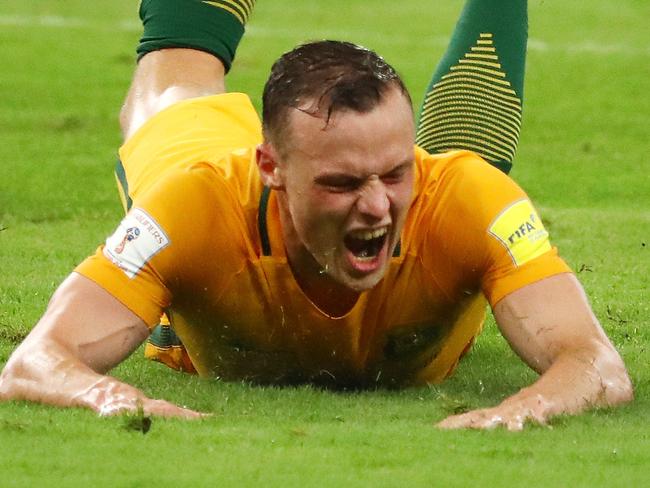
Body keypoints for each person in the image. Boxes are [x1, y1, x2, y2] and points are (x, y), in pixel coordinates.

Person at [0, 0, 632, 430]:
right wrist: (110, 397)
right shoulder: (192, 208)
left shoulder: (462, 202)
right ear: (271, 169)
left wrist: (524, 409)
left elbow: (596, 364)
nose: (379, 205)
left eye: (395, 171)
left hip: (456, 208)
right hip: (203, 185)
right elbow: (35, 361)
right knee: (169, 89)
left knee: (475, 176)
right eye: (342, 182)